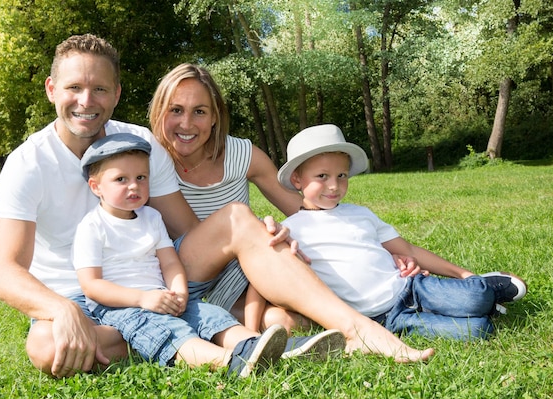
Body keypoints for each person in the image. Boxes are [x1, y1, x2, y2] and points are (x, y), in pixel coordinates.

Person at [0, 35, 432, 380]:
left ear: (117, 93)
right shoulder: (27, 164)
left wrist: (256, 241)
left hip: (162, 282)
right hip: (81, 297)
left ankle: (360, 330)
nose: (86, 101)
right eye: (74, 87)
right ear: (52, 89)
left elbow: (189, 232)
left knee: (242, 226)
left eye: (99, 88)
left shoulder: (140, 146)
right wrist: (63, 311)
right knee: (45, 348)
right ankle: (224, 345)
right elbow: (6, 273)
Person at [147, 63, 426, 334]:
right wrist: (252, 229)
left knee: (289, 323)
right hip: (183, 272)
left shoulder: (242, 155)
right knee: (238, 217)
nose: (187, 123)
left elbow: (311, 210)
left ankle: (222, 318)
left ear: (215, 116)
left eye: (199, 111)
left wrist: (386, 251)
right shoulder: (144, 160)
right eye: (175, 110)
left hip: (243, 274)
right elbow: (190, 233)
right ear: (160, 112)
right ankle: (358, 327)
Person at [276, 124, 528, 340]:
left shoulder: (361, 214)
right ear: (297, 180)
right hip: (385, 319)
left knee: (478, 296)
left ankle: (480, 287)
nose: (334, 185)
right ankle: (469, 307)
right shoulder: (292, 230)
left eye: (341, 175)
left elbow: (406, 250)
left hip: (412, 287)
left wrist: (462, 273)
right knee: (479, 331)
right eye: (322, 176)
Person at [73, 133, 292, 377]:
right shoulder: (92, 227)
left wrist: (179, 292)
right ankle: (230, 362)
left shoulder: (151, 217)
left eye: (141, 177)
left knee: (210, 316)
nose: (133, 185)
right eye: (121, 179)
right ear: (96, 186)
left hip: (161, 296)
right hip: (120, 306)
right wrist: (141, 299)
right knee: (167, 331)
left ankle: (263, 346)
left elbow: (169, 261)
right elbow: (92, 285)